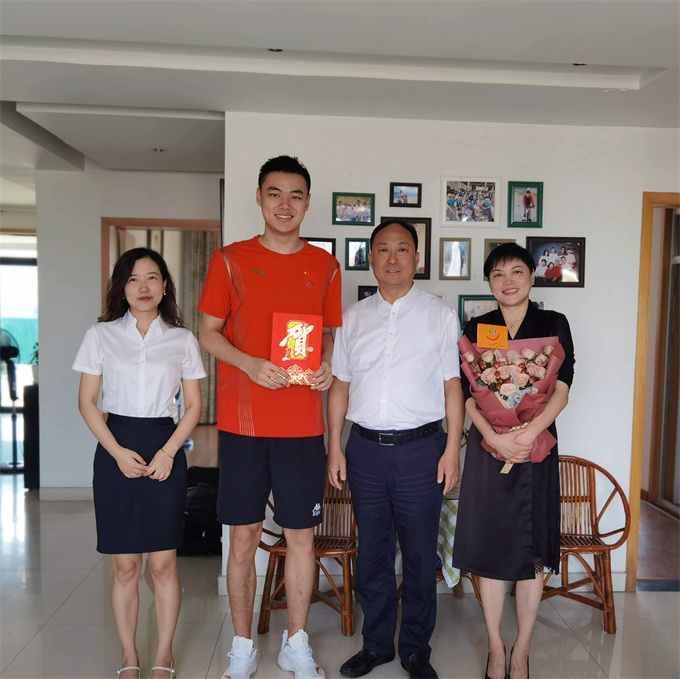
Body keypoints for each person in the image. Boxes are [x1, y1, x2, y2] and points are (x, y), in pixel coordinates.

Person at [198, 155, 342, 679]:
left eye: (296, 195)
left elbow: (327, 335)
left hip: (302, 426)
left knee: (302, 537)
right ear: (259, 198)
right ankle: (242, 647)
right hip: (244, 426)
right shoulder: (230, 260)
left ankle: (295, 644)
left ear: (307, 202)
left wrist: (325, 364)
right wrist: (250, 364)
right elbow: (208, 333)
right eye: (275, 194)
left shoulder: (325, 266)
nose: (285, 204)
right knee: (243, 538)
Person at [328, 219, 464, 679]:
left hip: (422, 451)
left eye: (402, 249)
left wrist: (452, 450)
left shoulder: (439, 315)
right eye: (383, 249)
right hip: (364, 451)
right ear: (371, 258)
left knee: (421, 555)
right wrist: (335, 447)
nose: (392, 258)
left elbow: (452, 385)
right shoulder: (353, 317)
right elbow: (340, 385)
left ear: (417, 259)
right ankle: (377, 645)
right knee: (373, 553)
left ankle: (416, 650)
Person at [73, 248, 206, 679]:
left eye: (152, 277)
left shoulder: (182, 339)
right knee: (125, 565)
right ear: (122, 287)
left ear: (165, 285)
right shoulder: (101, 335)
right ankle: (129, 656)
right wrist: (116, 452)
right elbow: (87, 402)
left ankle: (163, 655)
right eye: (133, 279)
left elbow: (193, 406)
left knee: (163, 564)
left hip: (165, 446)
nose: (143, 286)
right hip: (116, 447)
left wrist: (168, 452)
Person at [452, 243, 574, 679]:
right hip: (489, 449)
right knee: (489, 544)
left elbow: (562, 386)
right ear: (489, 282)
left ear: (532, 277)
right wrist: (492, 436)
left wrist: (529, 432)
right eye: (498, 274)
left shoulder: (552, 323)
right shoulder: (479, 326)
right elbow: (468, 392)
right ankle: (495, 646)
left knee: (531, 545)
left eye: (517, 272)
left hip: (536, 447)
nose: (508, 281)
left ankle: (521, 647)